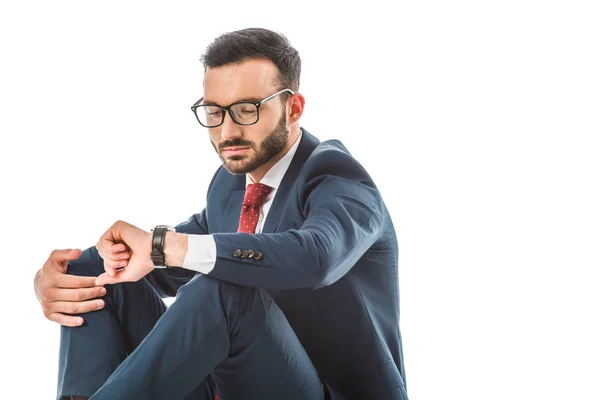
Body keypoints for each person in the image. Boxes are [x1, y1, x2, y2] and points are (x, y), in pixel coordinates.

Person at [33, 27, 408, 400]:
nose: (227, 131)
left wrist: (166, 245)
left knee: (225, 291)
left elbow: (317, 257)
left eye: (247, 110)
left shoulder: (338, 176)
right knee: (93, 272)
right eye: (214, 112)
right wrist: (60, 279)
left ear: (292, 109)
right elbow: (166, 257)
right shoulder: (230, 187)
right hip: (229, 385)